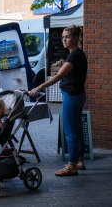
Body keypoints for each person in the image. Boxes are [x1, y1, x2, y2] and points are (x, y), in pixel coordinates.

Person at [30, 25, 87, 176]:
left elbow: (58, 76)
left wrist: (38, 87)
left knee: (70, 131)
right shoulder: (76, 54)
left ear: (75, 38)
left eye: (67, 37)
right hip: (77, 94)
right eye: (62, 37)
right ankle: (79, 161)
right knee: (77, 129)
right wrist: (63, 62)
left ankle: (71, 165)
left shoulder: (74, 55)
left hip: (72, 96)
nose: (64, 40)